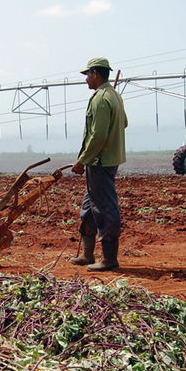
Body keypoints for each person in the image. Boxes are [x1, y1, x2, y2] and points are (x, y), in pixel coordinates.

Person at [70, 57, 128, 271]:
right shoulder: (114, 96)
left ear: (95, 73)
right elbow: (124, 122)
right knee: (89, 207)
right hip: (107, 160)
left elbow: (98, 135)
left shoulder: (101, 99)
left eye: (87, 75)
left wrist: (82, 160)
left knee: (104, 208)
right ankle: (87, 255)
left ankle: (109, 259)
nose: (86, 79)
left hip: (100, 161)